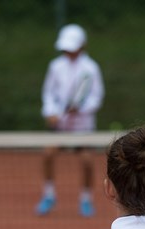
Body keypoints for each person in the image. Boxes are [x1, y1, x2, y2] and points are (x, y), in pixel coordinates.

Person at [36, 23, 105, 217]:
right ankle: (48, 195)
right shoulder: (55, 66)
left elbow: (96, 97)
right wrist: (50, 112)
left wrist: (81, 108)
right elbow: (48, 93)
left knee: (86, 160)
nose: (69, 52)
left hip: (83, 127)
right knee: (48, 154)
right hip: (60, 125)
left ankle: (86, 199)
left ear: (82, 46)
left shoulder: (91, 68)